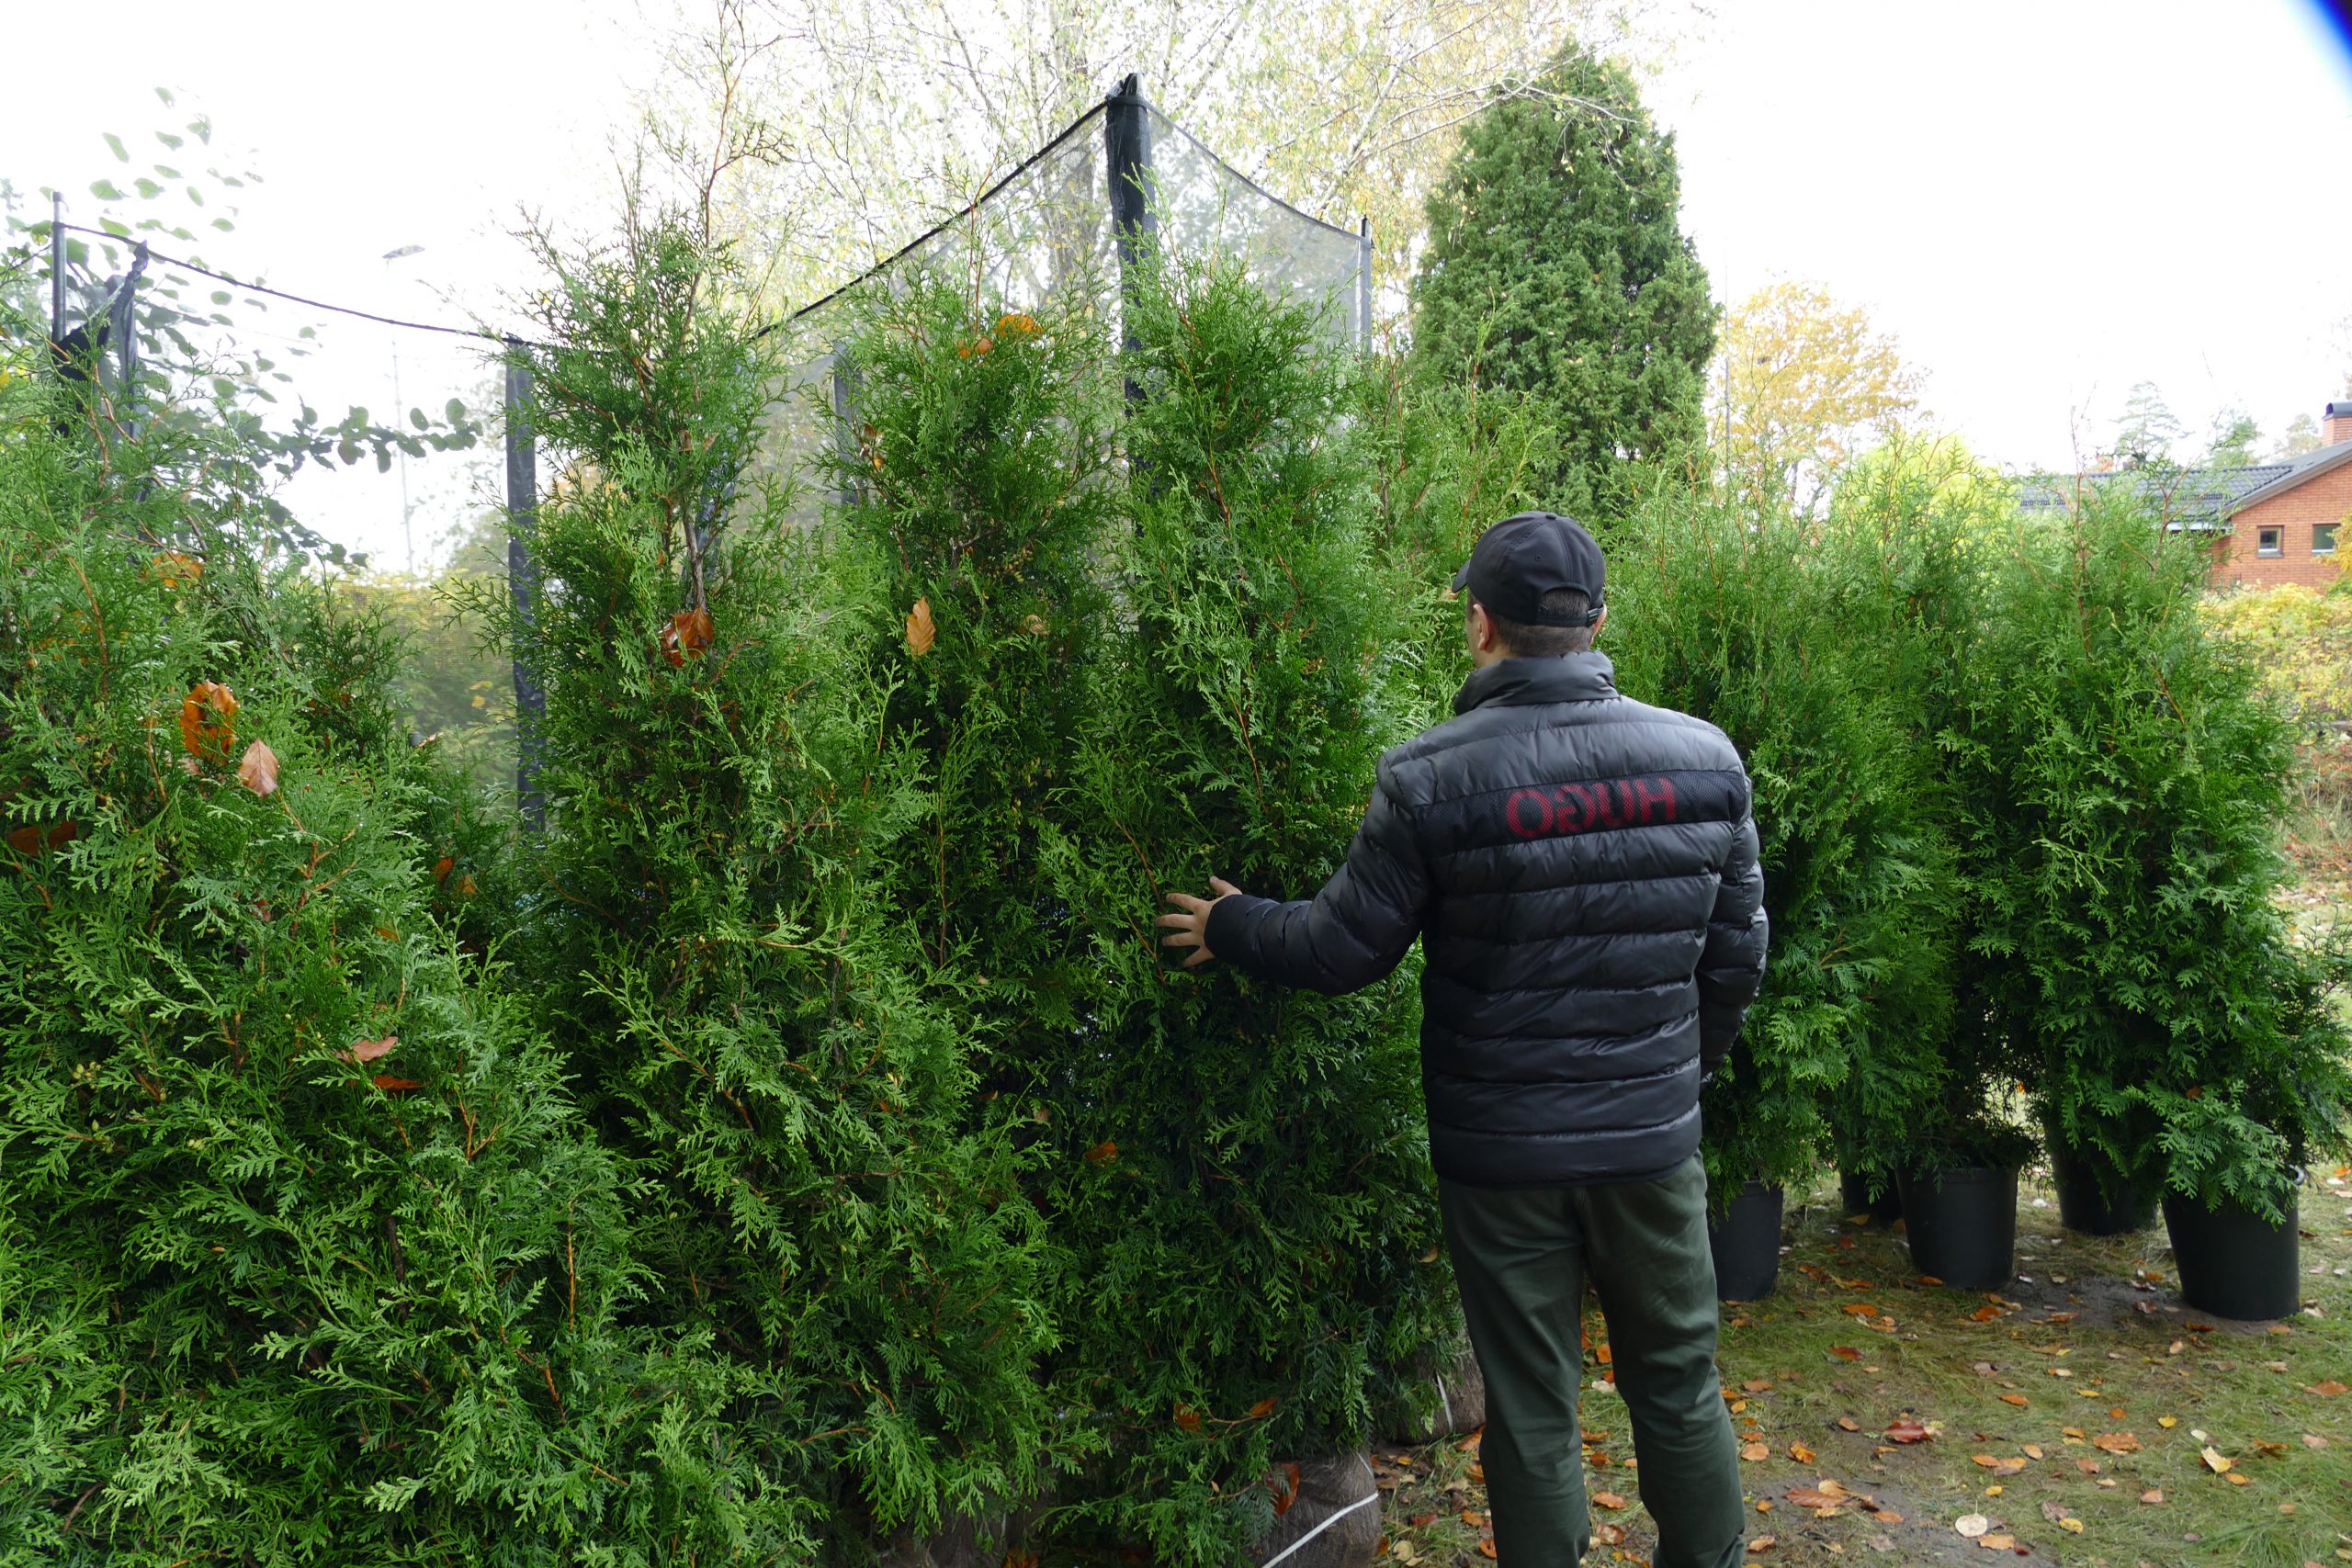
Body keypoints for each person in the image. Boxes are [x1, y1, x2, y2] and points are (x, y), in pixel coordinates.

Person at [1156, 511, 1767, 1568]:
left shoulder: (1430, 777)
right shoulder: (1705, 760)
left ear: (1480, 624)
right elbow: (1735, 962)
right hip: (1650, 1145)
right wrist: (1671, 1085)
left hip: (1502, 1156)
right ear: (1597, 622)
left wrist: (1231, 922)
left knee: (1531, 1403)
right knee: (1678, 1379)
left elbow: (1344, 947)